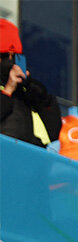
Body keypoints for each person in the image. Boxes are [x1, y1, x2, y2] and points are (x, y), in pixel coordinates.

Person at [0, 19, 60, 147]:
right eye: (5, 56)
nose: (10, 61)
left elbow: (54, 131)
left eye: (15, 56)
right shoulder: (8, 89)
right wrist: (8, 90)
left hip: (33, 157)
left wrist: (41, 98)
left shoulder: (26, 91)